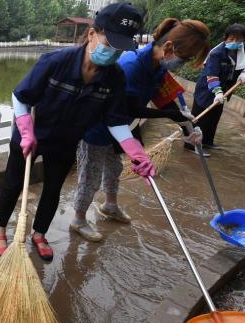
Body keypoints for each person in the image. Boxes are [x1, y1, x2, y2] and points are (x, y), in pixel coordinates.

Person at [0, 3, 156, 260]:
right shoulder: (56, 61)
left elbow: (115, 121)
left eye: (121, 48)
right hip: (30, 136)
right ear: (92, 34)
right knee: (13, 185)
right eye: (109, 42)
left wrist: (137, 153)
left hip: (66, 141)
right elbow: (21, 97)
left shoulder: (115, 78)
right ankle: (0, 230)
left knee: (53, 189)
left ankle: (39, 234)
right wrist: (25, 131)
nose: (113, 52)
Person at [71, 18, 211, 241]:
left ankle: (110, 205)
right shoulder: (131, 66)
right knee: (90, 175)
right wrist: (168, 115)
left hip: (121, 128)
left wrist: (188, 127)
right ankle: (78, 219)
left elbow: (164, 100)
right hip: (96, 127)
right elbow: (128, 107)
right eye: (184, 58)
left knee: (114, 168)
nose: (182, 63)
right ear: (169, 48)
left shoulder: (156, 67)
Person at [189, 23, 245, 149]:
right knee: (202, 117)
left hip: (225, 88)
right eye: (231, 38)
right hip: (207, 88)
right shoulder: (217, 53)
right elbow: (212, 75)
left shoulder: (244, 48)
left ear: (243, 39)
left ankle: (207, 142)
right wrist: (217, 92)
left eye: (239, 39)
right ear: (225, 38)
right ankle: (191, 146)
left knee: (214, 117)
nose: (235, 42)